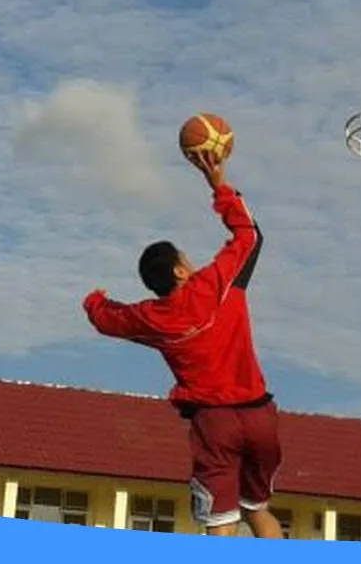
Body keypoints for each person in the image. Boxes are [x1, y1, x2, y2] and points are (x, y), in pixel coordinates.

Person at [82, 150, 283, 538]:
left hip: (215, 423)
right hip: (260, 415)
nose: (192, 263)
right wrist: (218, 186)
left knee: (220, 522)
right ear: (179, 270)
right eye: (186, 259)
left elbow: (108, 319)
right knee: (258, 512)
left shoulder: (152, 318)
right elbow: (249, 236)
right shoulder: (219, 283)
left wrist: (94, 301)